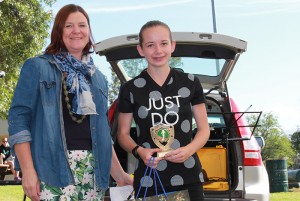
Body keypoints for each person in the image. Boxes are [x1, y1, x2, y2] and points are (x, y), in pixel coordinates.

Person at [8, 4, 132, 201]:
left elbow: (102, 135)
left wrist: (120, 175)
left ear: (89, 31)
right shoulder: (37, 67)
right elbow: (19, 121)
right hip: (50, 170)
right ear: (59, 31)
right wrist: (28, 171)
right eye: (69, 26)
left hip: (93, 173)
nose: (77, 31)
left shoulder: (98, 78)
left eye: (82, 25)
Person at [117, 20, 210, 201]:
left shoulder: (190, 82)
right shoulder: (130, 88)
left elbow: (204, 129)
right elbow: (122, 134)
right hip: (149, 179)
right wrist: (138, 151)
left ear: (172, 46)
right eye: (150, 45)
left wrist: (189, 149)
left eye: (163, 43)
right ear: (141, 50)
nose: (158, 51)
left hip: (189, 176)